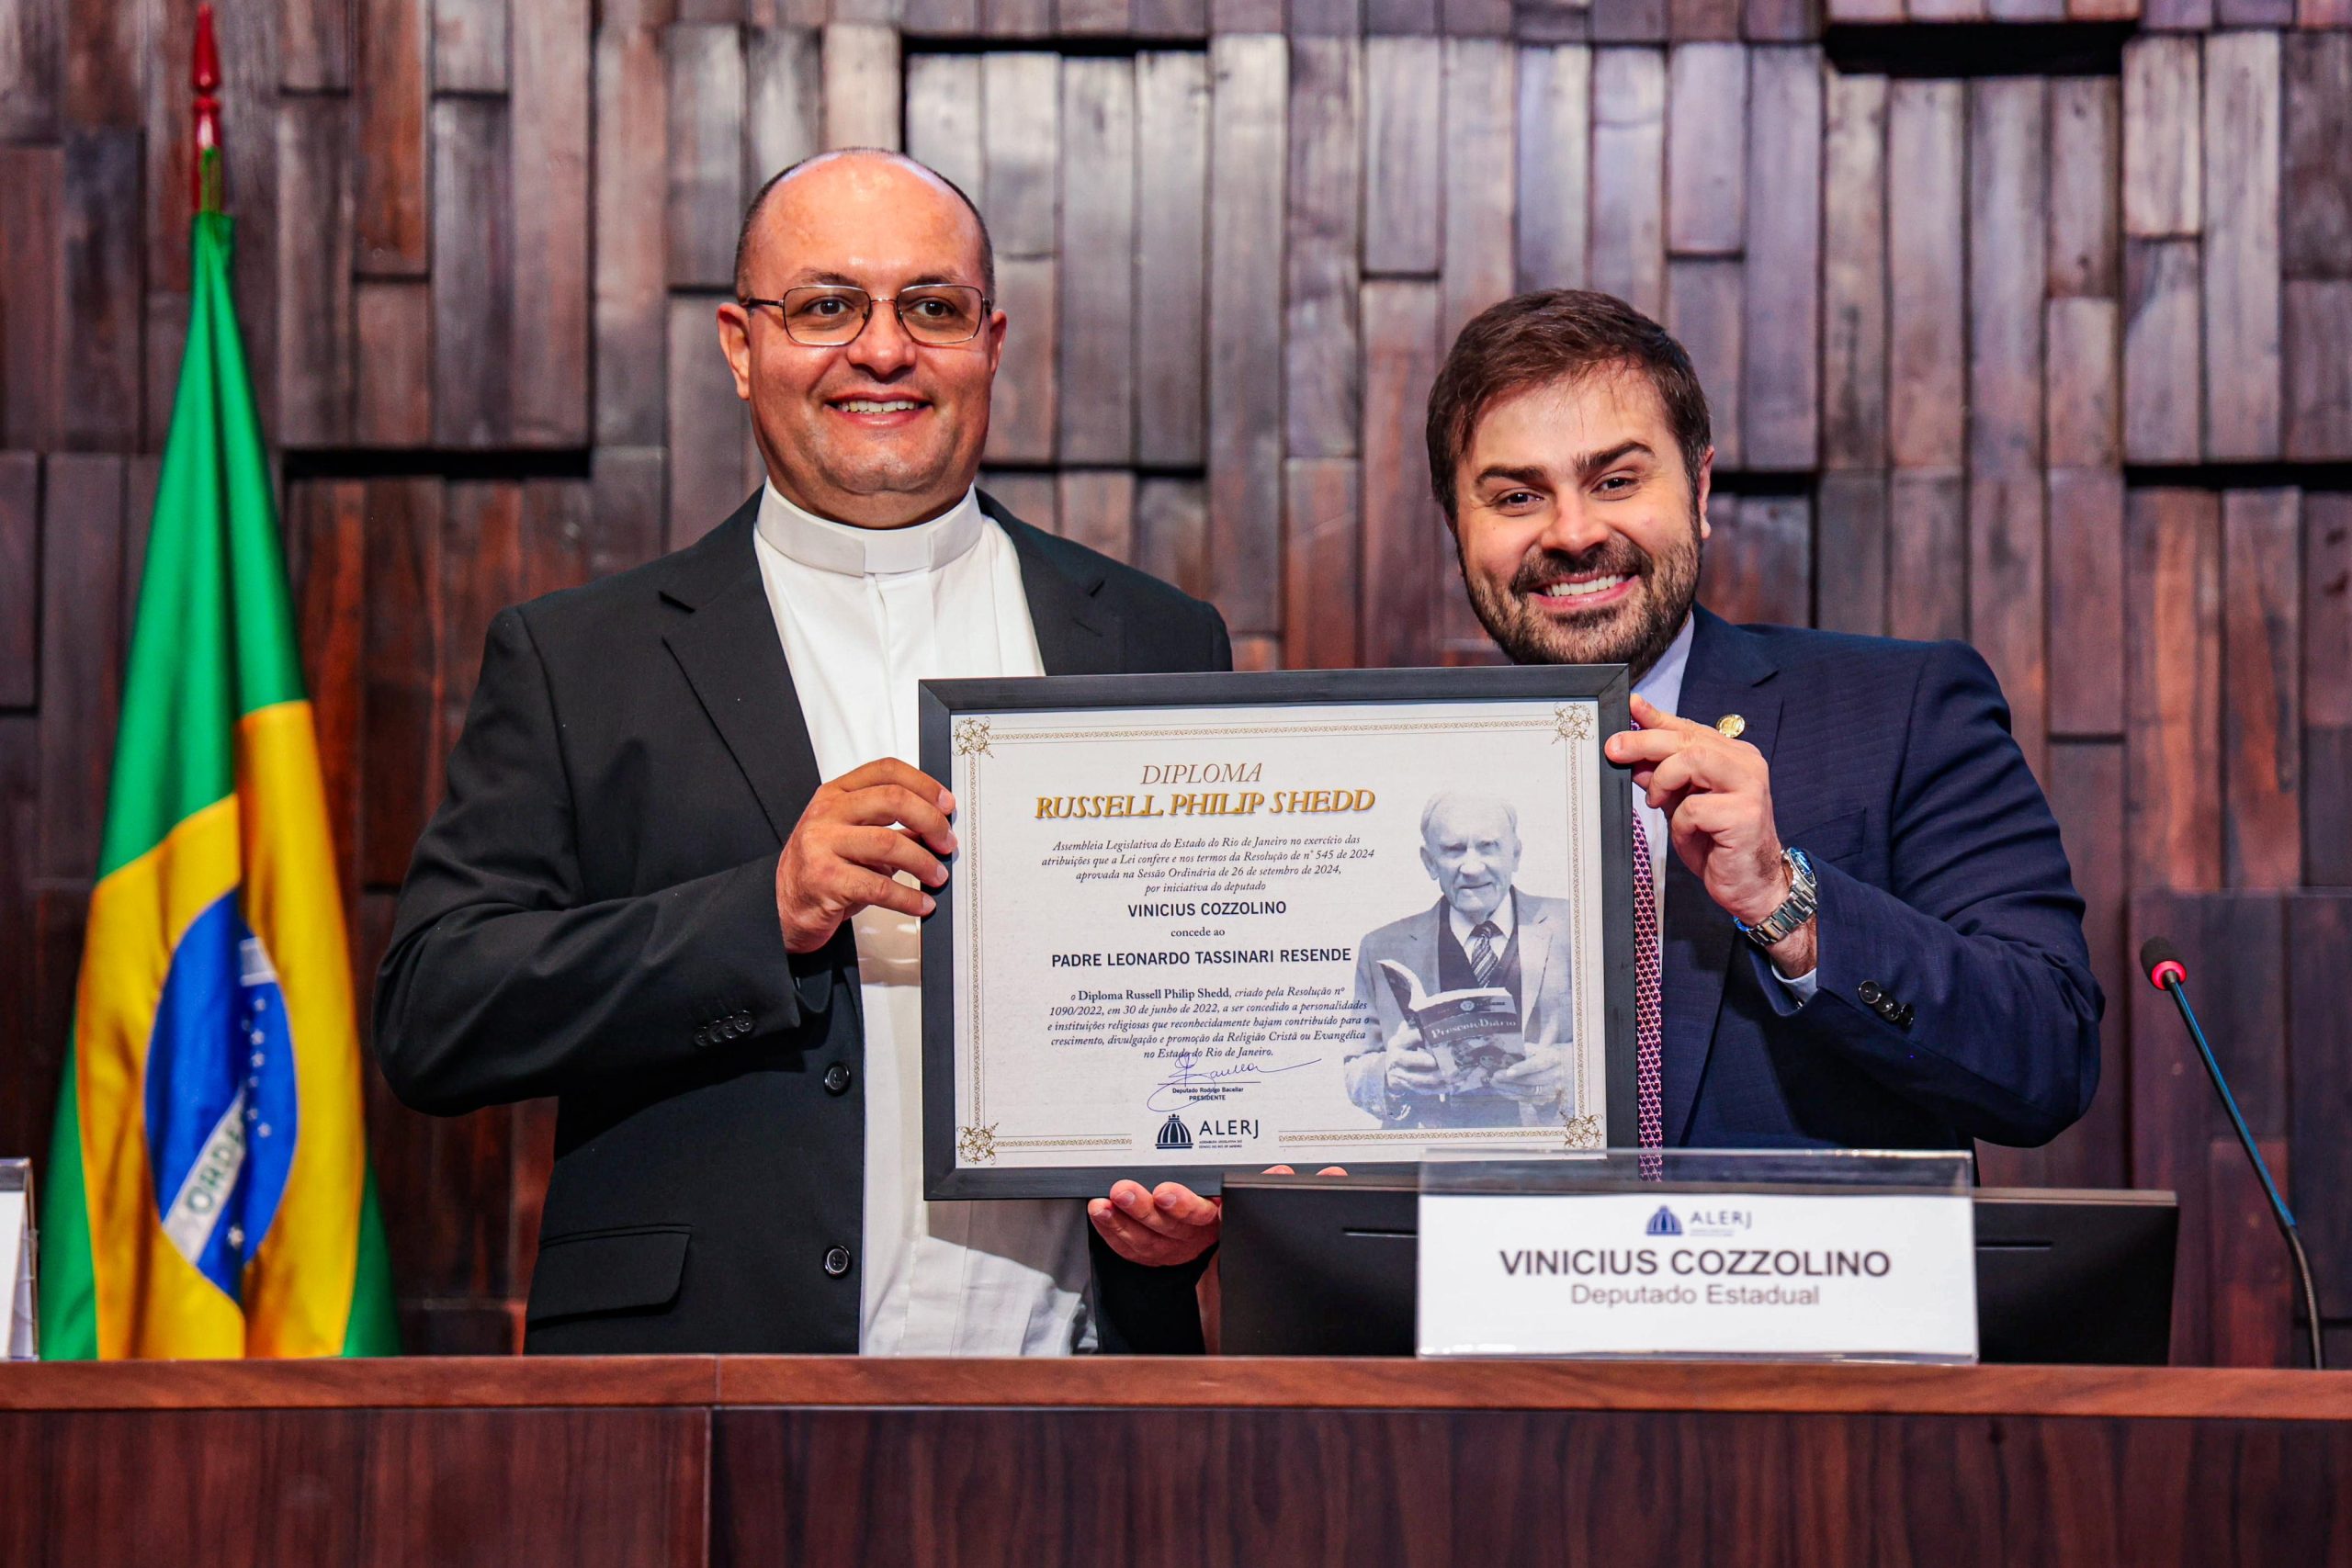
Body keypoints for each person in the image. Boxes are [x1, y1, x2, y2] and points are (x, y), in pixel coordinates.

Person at [373, 150, 1220, 1354]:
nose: (883, 350)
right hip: (704, 1399)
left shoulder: (1154, 635)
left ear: (992, 339)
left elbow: (1222, 1010)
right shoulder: (583, 655)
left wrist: (1196, 1208)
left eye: (932, 306)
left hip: (1078, 1393)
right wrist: (758, 911)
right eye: (827, 306)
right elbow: (433, 1010)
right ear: (739, 342)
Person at [1131, 288, 2103, 1275]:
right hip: (1486, 1386)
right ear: (1455, 526)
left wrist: (1785, 902)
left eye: (1614, 480)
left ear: (1701, 487)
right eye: (1514, 496)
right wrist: (1258, 1189)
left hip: (1813, 1375)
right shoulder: (1396, 775)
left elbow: (2047, 1062)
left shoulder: (1899, 709)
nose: (1570, 532)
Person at [1343, 793, 1575, 1127]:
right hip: (1431, 1161)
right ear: (1429, 861)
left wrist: (1568, 1071)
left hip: (1544, 1161)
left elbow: (1623, 1044)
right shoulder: (1380, 947)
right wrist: (1389, 1077)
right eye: (1453, 850)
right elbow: (1355, 1067)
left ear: (1516, 854)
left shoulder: (1577, 924)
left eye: (1488, 846)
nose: (1472, 867)